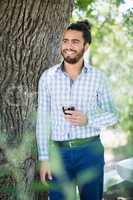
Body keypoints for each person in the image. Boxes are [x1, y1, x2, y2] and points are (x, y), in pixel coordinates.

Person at [36, 20, 118, 200]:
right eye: (65, 41)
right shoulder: (47, 77)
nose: (68, 46)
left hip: (90, 152)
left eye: (75, 41)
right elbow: (42, 119)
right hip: (58, 154)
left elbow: (113, 115)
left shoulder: (98, 78)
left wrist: (88, 119)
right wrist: (44, 158)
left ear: (86, 46)